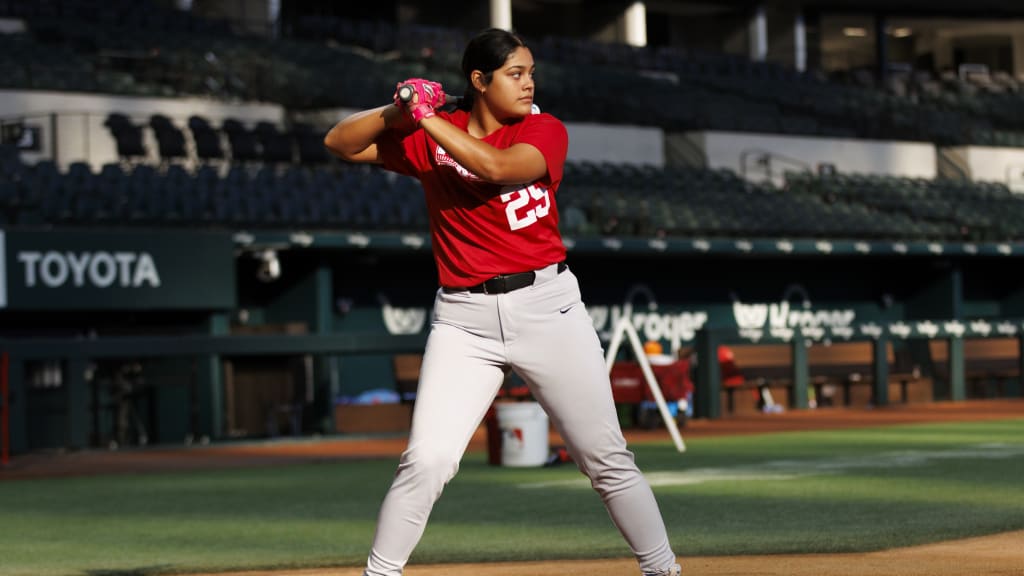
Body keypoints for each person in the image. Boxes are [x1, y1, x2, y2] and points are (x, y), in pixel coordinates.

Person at [324, 28, 680, 576]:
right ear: (479, 81)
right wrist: (397, 108)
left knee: (605, 459)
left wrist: (426, 118)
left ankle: (663, 569)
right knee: (427, 460)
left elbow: (496, 169)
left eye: (530, 72)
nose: (529, 82)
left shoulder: (543, 128)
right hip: (464, 320)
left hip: (548, 306)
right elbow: (339, 142)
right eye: (515, 73)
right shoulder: (431, 134)